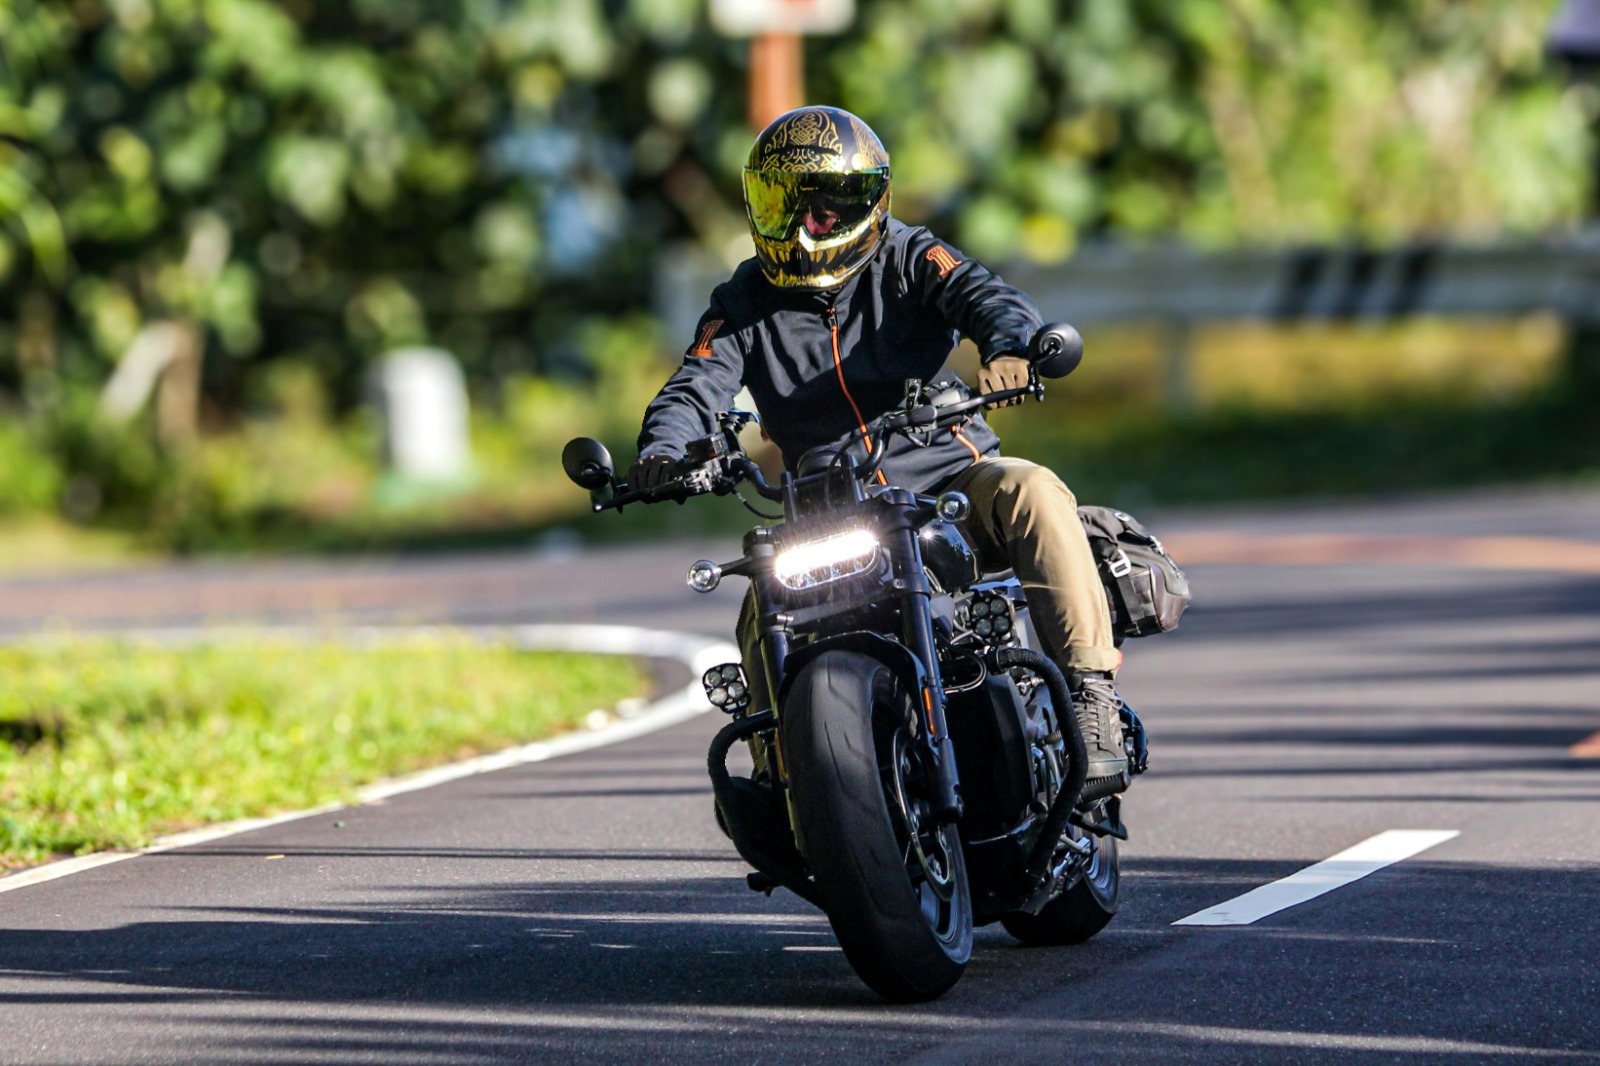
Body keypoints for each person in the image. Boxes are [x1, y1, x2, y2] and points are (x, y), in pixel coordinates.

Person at [630, 106, 1129, 799]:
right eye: (784, 206)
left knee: (1033, 489)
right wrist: (665, 449)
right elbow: (697, 382)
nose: (803, 228)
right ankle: (783, 776)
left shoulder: (909, 255)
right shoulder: (742, 301)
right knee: (760, 599)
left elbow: (984, 296)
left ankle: (1090, 692)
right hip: (828, 513)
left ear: (865, 204)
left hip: (951, 487)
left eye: (824, 210)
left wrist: (1011, 347)